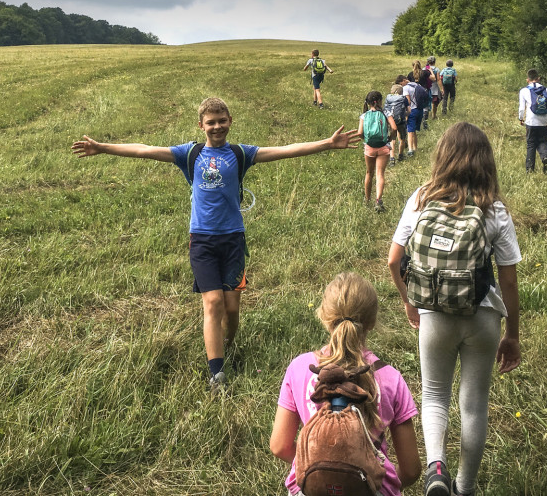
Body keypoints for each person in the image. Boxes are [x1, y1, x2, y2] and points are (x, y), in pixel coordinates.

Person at [72, 97, 362, 390]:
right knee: (212, 303)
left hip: (233, 239)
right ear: (201, 125)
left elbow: (285, 151)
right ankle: (217, 373)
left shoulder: (240, 154)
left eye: (222, 121)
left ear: (230, 121)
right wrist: (102, 147)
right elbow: (144, 150)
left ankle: (227, 345)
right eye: (210, 122)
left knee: (232, 309)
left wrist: (326, 143)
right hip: (202, 240)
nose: (217, 127)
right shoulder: (189, 154)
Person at [387, 123, 521, 496]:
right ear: (486, 161)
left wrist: (410, 302)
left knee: (433, 395)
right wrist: (512, 334)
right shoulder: (494, 209)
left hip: (434, 314)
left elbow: (393, 260)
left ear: (442, 156)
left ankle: (436, 471)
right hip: (482, 317)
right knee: (474, 403)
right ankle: (465, 488)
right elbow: (508, 281)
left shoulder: (420, 198)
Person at [269, 272, 420, 496]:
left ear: (324, 316)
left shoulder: (300, 368)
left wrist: (318, 470)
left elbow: (279, 446)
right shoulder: (391, 378)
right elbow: (411, 469)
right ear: (371, 322)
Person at [359, 90, 394, 212]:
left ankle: (367, 199)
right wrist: (390, 138)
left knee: (369, 173)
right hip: (383, 146)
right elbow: (394, 128)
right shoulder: (386, 113)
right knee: (380, 174)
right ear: (379, 101)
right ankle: (378, 201)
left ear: (368, 103)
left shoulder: (364, 115)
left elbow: (359, 133)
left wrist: (366, 140)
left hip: (369, 148)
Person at [518, 69, 547, 174]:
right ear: (538, 78)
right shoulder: (545, 90)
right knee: (542, 141)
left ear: (527, 79)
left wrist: (521, 118)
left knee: (531, 144)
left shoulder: (524, 91)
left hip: (531, 121)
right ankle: (545, 156)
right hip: (543, 121)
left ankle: (530, 169)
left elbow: (521, 107)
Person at [402, 74, 427, 157]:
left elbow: (408, 101)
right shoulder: (417, 85)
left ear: (405, 80)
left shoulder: (406, 88)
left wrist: (406, 111)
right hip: (420, 110)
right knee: (414, 131)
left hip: (412, 110)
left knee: (410, 131)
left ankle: (410, 150)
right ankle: (415, 148)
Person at [385, 82, 409, 165]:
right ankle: (400, 155)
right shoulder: (403, 98)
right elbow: (409, 110)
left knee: (392, 139)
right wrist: (405, 114)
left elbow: (385, 109)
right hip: (401, 121)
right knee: (402, 139)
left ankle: (392, 158)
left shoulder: (388, 98)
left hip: (391, 121)